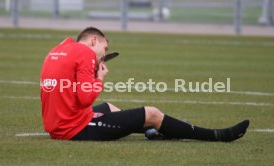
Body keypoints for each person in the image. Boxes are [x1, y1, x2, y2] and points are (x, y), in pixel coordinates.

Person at [40, 27, 249, 141]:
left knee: (111, 108)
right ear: (94, 40)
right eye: (104, 50)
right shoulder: (85, 53)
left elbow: (66, 89)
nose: (102, 57)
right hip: (73, 128)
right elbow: (85, 99)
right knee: (152, 113)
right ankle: (216, 135)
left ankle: (158, 130)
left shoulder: (60, 48)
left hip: (58, 121)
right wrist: (99, 79)